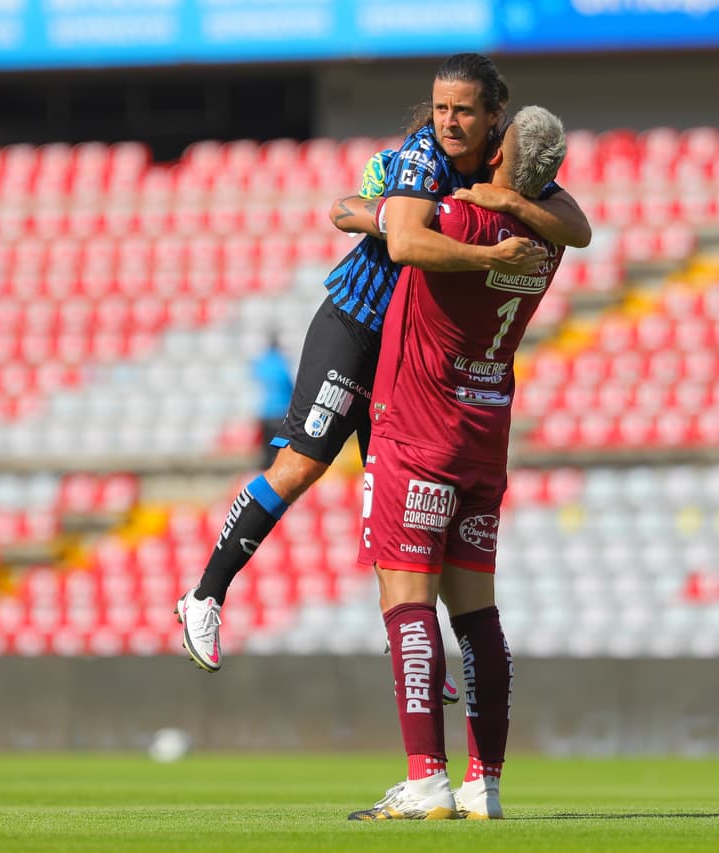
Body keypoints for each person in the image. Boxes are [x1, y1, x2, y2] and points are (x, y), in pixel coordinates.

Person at [175, 53, 591, 673]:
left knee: (392, 504)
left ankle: (410, 650)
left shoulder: (504, 164)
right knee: (302, 464)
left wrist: (510, 207)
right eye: (442, 107)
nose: (449, 122)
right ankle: (204, 595)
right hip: (359, 324)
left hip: (411, 352)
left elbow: (576, 227)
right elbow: (403, 241)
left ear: (494, 117)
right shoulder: (422, 154)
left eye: (464, 111)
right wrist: (486, 255)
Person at [347, 106, 569, 821]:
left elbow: (404, 235)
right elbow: (572, 220)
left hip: (418, 427)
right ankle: (486, 782)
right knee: (478, 613)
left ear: (501, 160)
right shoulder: (547, 239)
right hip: (483, 434)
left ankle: (425, 780)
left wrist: (361, 209)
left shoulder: (462, 220)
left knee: (407, 600)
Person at [250, 334, 294, 470]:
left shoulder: (262, 363)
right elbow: (289, 384)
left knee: (266, 452)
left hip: (267, 413)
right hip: (282, 412)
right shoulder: (283, 362)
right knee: (279, 451)